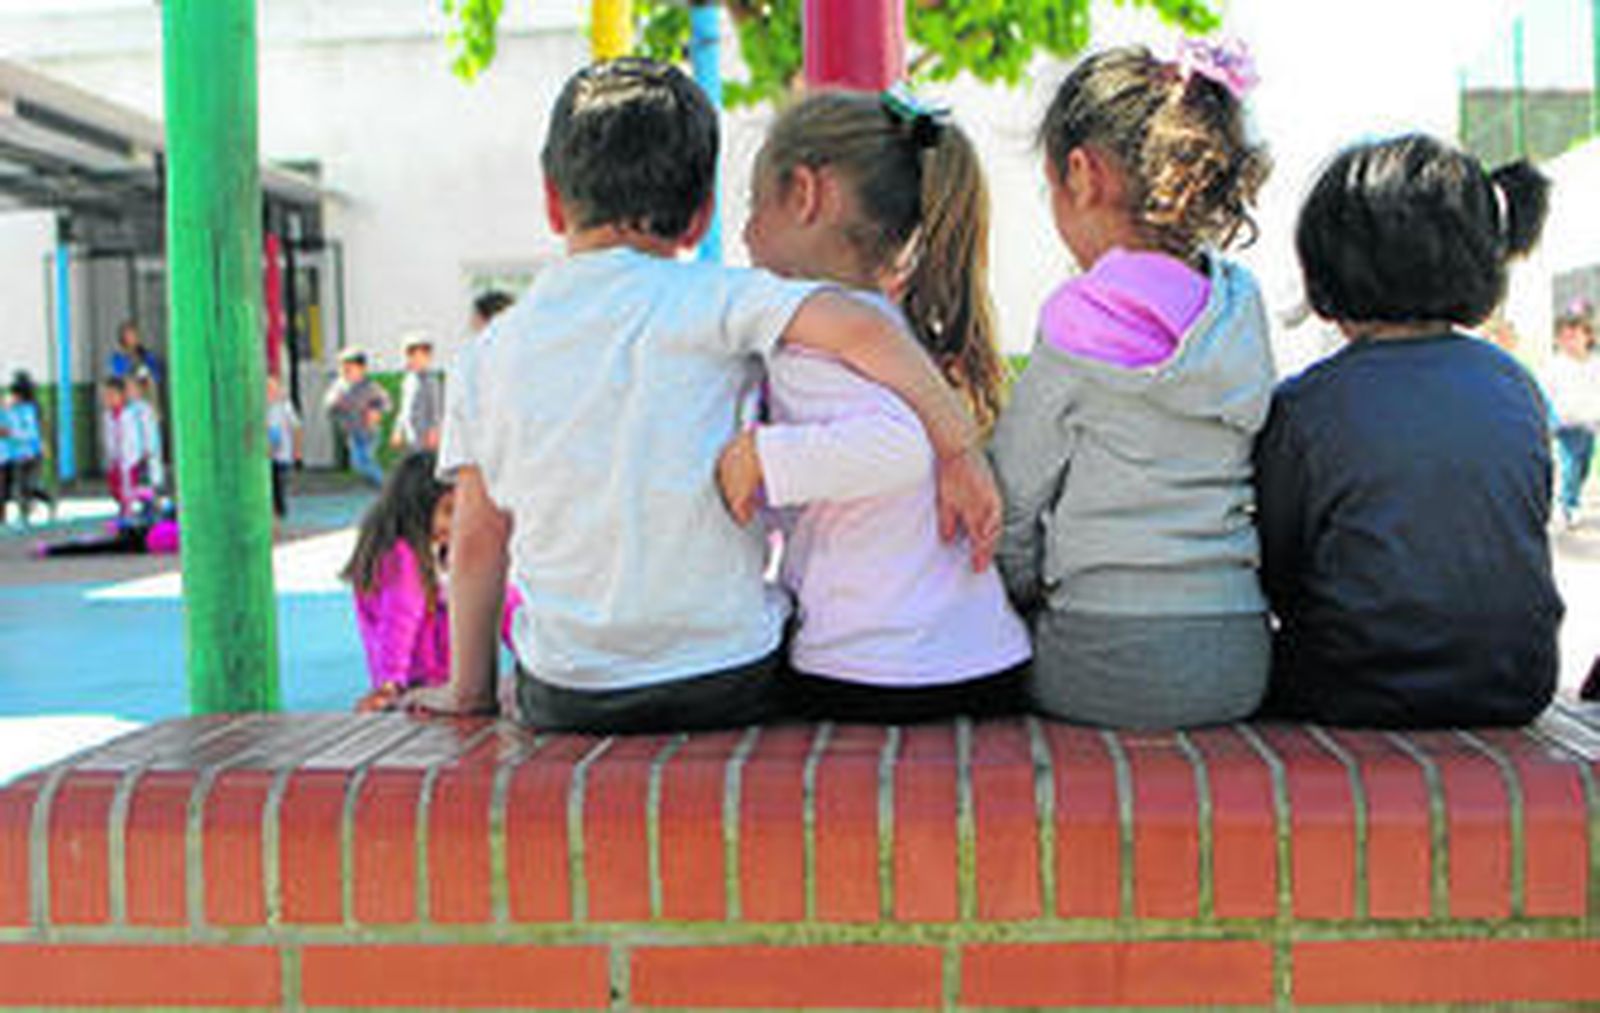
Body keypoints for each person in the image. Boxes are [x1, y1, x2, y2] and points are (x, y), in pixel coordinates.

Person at [403, 58, 999, 733]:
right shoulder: (719, 299)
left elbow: (478, 541)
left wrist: (470, 691)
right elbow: (863, 325)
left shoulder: (486, 355)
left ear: (551, 200)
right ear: (701, 216)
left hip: (568, 689)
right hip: (729, 676)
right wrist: (958, 447)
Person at [714, 88, 1031, 723]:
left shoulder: (809, 329)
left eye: (754, 205)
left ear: (806, 193)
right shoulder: (893, 327)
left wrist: (763, 457)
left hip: (876, 667)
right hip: (983, 660)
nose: (744, 233)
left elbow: (897, 449)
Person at [990, 40, 1275, 729]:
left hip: (1099, 655)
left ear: (1081, 174)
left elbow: (1015, 500)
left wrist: (1016, 594)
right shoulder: (1240, 307)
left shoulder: (1075, 317)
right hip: (1238, 657)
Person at [1255, 134, 1560, 727]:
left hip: (1348, 686)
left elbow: (1280, 569)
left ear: (1329, 267)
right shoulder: (1515, 386)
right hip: (1516, 682)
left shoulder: (1306, 406)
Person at [342, 451, 457, 695]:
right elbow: (399, 621)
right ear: (419, 508)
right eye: (448, 511)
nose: (456, 523)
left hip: (429, 680)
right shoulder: (403, 559)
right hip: (417, 684)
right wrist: (391, 682)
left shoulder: (432, 551)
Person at [1543, 300, 1600, 527]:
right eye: (1563, 338)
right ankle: (1567, 504)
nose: (1569, 342)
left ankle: (1570, 497)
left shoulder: (1595, 365)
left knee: (1584, 466)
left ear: (1588, 337)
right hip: (1566, 425)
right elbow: (1545, 393)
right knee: (1570, 467)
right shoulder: (1556, 366)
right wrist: (1550, 420)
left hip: (1589, 424)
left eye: (1574, 336)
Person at [323, 348, 392, 487]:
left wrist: (376, 410)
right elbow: (329, 406)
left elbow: (386, 402)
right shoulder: (340, 387)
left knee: (362, 461)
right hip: (352, 432)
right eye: (343, 368)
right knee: (360, 462)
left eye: (350, 368)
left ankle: (385, 484)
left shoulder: (369, 387)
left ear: (362, 369)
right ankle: (380, 483)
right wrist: (335, 403)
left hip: (368, 431)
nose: (346, 371)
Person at [100, 377, 157, 521]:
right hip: (117, 459)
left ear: (122, 396)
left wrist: (145, 451)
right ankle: (126, 508)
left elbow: (141, 435)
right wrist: (111, 457)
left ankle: (143, 507)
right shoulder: (108, 416)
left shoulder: (132, 413)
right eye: (106, 396)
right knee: (117, 486)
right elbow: (109, 439)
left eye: (112, 395)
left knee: (136, 485)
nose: (108, 399)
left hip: (133, 457)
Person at [6, 371, 55, 525]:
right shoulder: (13, 407)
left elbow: (36, 429)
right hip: (18, 452)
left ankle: (47, 500)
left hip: (33, 452)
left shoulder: (33, 408)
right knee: (19, 485)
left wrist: (43, 444)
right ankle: (24, 512)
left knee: (30, 484)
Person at [391, 334, 444, 451]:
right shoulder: (408, 380)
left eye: (422, 357)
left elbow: (435, 409)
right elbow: (404, 409)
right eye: (413, 357)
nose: (417, 361)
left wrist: (434, 430)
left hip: (425, 435)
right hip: (411, 434)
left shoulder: (431, 381)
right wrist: (398, 430)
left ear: (428, 358)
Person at [265, 373, 303, 522]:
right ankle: (273, 514)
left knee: (278, 484)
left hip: (281, 453)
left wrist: (297, 450)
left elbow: (297, 427)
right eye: (268, 389)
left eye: (273, 389)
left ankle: (279, 514)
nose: (270, 392)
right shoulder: (262, 407)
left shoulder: (284, 406)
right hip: (266, 454)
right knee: (270, 484)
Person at [108, 321, 164, 389]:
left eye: (135, 334)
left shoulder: (148, 356)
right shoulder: (117, 358)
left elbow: (156, 377)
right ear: (123, 337)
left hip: (145, 391)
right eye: (129, 335)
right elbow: (117, 379)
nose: (134, 337)